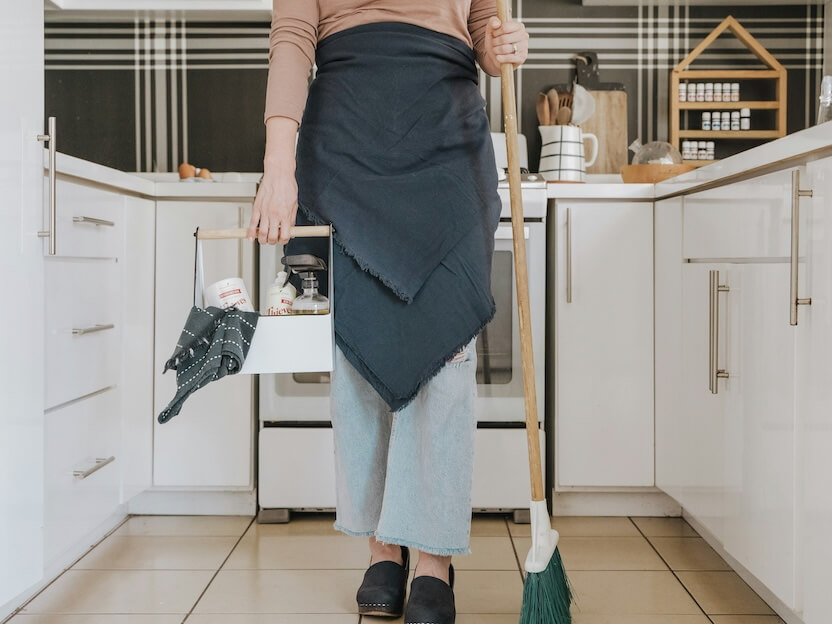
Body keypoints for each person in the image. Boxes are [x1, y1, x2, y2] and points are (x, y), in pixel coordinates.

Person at [250, 2, 528, 622]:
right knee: (358, 345)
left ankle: (433, 558)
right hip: (344, 135)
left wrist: (500, 43)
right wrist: (278, 167)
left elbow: (484, 26)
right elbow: (294, 37)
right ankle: (383, 547)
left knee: (445, 347)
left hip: (446, 135)